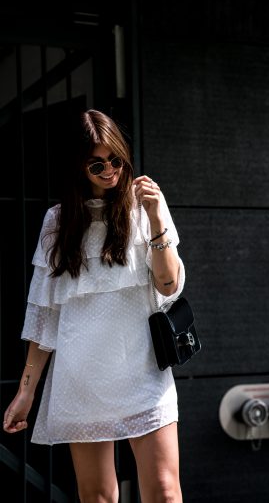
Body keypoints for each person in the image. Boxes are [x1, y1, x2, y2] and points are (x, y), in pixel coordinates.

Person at [3, 109, 185, 503]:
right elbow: (44, 316)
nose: (109, 170)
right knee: (98, 496)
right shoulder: (58, 222)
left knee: (166, 493)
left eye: (116, 159)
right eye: (96, 163)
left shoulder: (145, 207)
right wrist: (26, 392)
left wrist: (155, 220)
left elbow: (168, 286)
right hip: (81, 376)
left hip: (143, 371)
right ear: (78, 167)